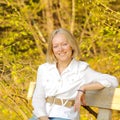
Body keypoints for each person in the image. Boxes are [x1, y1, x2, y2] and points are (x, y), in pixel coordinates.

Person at [29, 28, 118, 120]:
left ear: (71, 45)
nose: (60, 49)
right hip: (40, 116)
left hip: (64, 116)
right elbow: (38, 97)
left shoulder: (81, 69)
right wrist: (43, 117)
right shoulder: (44, 69)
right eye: (56, 46)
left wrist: (83, 88)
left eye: (64, 44)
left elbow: (113, 81)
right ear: (52, 50)